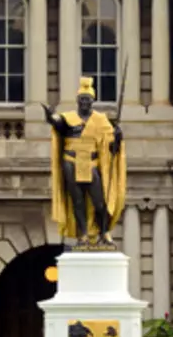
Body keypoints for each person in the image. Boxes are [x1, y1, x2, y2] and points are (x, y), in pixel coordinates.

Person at [45, 76, 126, 246]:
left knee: (99, 201)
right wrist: (49, 116)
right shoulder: (68, 118)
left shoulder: (100, 120)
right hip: (71, 162)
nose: (84, 102)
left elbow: (110, 147)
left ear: (92, 101)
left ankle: (104, 232)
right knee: (78, 201)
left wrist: (118, 138)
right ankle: (82, 235)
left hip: (91, 163)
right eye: (81, 99)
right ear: (77, 100)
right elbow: (57, 124)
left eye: (87, 99)